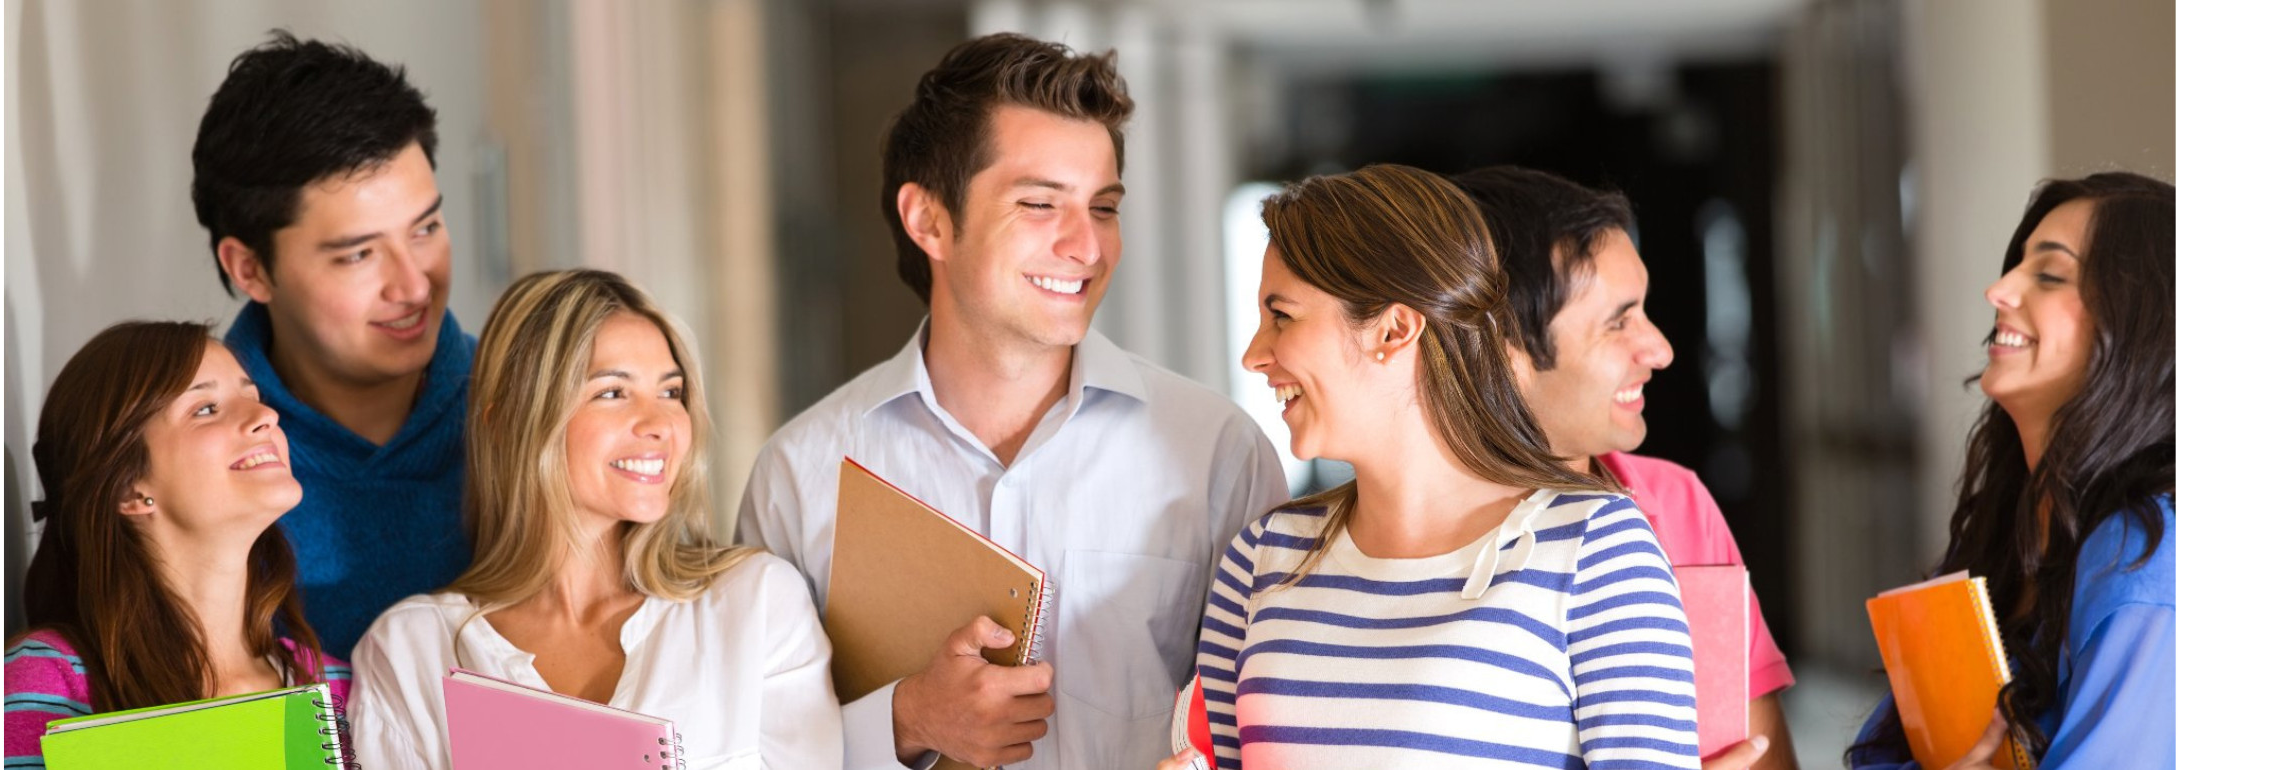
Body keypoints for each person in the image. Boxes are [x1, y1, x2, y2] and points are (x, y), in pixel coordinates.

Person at [737, 32, 1289, 770]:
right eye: (1039, 204)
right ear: (929, 220)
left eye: (1104, 207)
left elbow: (1277, 723)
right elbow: (746, 741)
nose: (1087, 247)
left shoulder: (1216, 451)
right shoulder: (799, 475)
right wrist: (906, 719)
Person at [1170, 164, 1698, 770]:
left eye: (1282, 316)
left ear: (1394, 330)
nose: (1255, 354)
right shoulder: (1259, 558)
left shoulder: (1596, 550)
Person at [350, 269, 842, 768]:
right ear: (506, 424)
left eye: (671, 393)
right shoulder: (411, 650)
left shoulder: (755, 605)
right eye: (612, 392)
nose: (659, 425)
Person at [1446, 165, 1797, 770]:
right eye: (1618, 322)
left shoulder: (1675, 505)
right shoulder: (1396, 533)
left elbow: (1758, 754)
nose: (1659, 349)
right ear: (1502, 351)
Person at [1846, 173, 2174, 769]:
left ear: (2135, 326)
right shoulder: (2008, 533)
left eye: (2049, 275)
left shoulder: (2145, 555)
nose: (1997, 290)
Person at [194, 30, 474, 658]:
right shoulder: (176, 458)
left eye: (426, 227)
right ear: (250, 270)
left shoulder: (538, 406)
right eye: (358, 254)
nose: (413, 284)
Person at [5, 321, 352, 767]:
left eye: (252, 397)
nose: (266, 416)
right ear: (128, 488)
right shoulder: (52, 679)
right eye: (206, 408)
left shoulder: (336, 684)